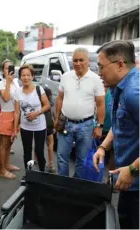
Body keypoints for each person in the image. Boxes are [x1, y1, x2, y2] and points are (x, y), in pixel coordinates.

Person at [93, 40, 139, 229]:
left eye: (101, 67)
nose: (99, 73)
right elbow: (120, 122)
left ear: (120, 64)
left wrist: (133, 169)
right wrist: (104, 147)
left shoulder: (134, 93)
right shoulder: (120, 87)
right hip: (129, 181)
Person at [55, 47, 105, 178]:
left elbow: (100, 104)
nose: (77, 63)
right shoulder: (66, 77)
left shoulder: (96, 79)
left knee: (82, 159)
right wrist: (57, 119)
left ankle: (76, 185)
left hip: (86, 125)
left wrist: (99, 126)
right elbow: (59, 98)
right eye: (75, 60)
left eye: (81, 60)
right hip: (65, 124)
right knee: (62, 156)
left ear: (88, 60)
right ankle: (63, 184)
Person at [14, 64, 50, 172]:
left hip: (40, 127)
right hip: (25, 127)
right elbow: (16, 112)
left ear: (32, 76)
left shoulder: (39, 89)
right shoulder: (18, 92)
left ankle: (42, 173)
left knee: (39, 151)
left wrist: (37, 113)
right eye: (23, 75)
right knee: (27, 152)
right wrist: (15, 128)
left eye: (28, 75)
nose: (25, 78)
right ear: (20, 77)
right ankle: (29, 174)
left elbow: (47, 105)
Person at [0, 59, 20, 179]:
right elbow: (6, 98)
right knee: (4, 144)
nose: (9, 70)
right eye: (6, 68)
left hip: (14, 114)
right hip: (6, 115)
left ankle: (6, 164)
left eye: (10, 67)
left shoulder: (15, 82)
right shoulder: (1, 83)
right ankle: (2, 169)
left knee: (10, 143)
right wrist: (7, 81)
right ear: (3, 70)